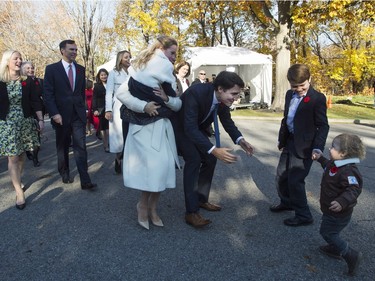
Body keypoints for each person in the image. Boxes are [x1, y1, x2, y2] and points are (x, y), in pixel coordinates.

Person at [172, 70, 254, 228]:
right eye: (234, 94)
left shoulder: (222, 99)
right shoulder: (196, 93)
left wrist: (240, 140)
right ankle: (191, 212)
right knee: (194, 159)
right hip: (180, 128)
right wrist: (213, 149)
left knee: (209, 159)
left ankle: (201, 200)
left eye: (238, 95)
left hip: (195, 128)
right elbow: (189, 128)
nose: (237, 98)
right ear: (220, 89)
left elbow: (227, 121)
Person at [117, 35, 181, 230]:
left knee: (162, 169)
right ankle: (143, 206)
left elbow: (178, 104)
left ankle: (153, 208)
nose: (174, 58)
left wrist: (166, 99)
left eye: (176, 55)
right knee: (152, 170)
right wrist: (143, 106)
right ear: (161, 49)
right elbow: (121, 93)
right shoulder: (137, 69)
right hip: (143, 128)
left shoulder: (170, 75)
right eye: (172, 53)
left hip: (163, 129)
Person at [270, 64, 329, 226]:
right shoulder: (290, 94)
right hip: (289, 142)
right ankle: (287, 202)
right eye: (294, 86)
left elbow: (323, 125)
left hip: (306, 146)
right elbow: (287, 118)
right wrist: (282, 140)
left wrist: (318, 147)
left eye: (302, 86)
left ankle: (304, 215)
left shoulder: (317, 98)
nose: (299, 89)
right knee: (281, 175)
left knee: (295, 180)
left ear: (309, 80)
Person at [44, 39, 97, 190]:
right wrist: (54, 113)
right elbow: (48, 94)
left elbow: (80, 92)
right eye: (71, 49)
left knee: (81, 146)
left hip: (77, 115)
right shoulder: (52, 69)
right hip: (60, 116)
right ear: (62, 50)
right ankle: (64, 171)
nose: (74, 52)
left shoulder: (80, 69)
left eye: (75, 49)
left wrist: (84, 111)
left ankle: (85, 179)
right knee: (63, 146)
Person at [312, 134, 365, 276]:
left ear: (343, 153)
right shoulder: (336, 162)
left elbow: (353, 189)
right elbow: (327, 166)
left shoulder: (349, 171)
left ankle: (351, 255)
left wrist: (342, 201)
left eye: (333, 147)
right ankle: (335, 249)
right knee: (331, 231)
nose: (330, 148)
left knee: (327, 232)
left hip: (339, 212)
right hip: (331, 209)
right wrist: (320, 158)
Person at [0, 50, 44, 209]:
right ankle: (19, 191)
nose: (19, 61)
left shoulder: (27, 81)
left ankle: (17, 178)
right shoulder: (1, 81)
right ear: (7, 61)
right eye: (15, 58)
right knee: (12, 157)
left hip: (25, 121)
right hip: (7, 124)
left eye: (20, 58)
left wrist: (40, 120)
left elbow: (35, 101)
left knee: (22, 154)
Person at [105, 50, 131, 174]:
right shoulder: (113, 73)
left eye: (129, 57)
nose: (128, 59)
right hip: (118, 106)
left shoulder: (132, 72)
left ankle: (128, 161)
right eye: (126, 57)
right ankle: (118, 158)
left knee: (130, 133)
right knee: (118, 134)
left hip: (131, 105)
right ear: (120, 58)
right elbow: (109, 92)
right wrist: (108, 109)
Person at [21, 61, 44, 167]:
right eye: (28, 68)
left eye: (32, 68)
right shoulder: (21, 81)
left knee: (37, 134)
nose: (30, 70)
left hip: (37, 110)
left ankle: (35, 157)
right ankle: (28, 152)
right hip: (25, 112)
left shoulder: (38, 81)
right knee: (26, 135)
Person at [92, 68, 109, 152]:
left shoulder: (110, 83)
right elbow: (94, 98)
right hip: (101, 109)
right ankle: (105, 145)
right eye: (102, 75)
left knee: (109, 128)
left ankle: (110, 143)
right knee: (103, 128)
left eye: (105, 74)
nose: (104, 76)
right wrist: (94, 109)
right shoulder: (97, 86)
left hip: (110, 108)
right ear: (99, 76)